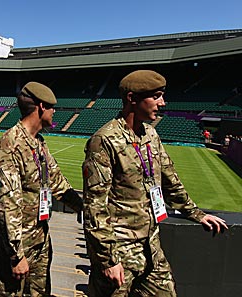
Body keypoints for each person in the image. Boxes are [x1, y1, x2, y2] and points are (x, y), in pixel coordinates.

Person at [82, 70, 228, 297]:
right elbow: (94, 207)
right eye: (157, 96)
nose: (163, 102)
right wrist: (108, 259)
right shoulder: (104, 141)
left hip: (150, 245)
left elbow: (170, 180)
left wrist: (197, 214)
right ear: (132, 99)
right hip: (118, 248)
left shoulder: (151, 134)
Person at [0, 81, 83, 297]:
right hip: (18, 248)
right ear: (41, 107)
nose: (54, 112)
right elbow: (8, 205)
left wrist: (84, 208)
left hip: (40, 241)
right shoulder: (10, 146)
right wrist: (16, 255)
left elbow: (58, 184)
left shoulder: (38, 143)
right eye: (52, 107)